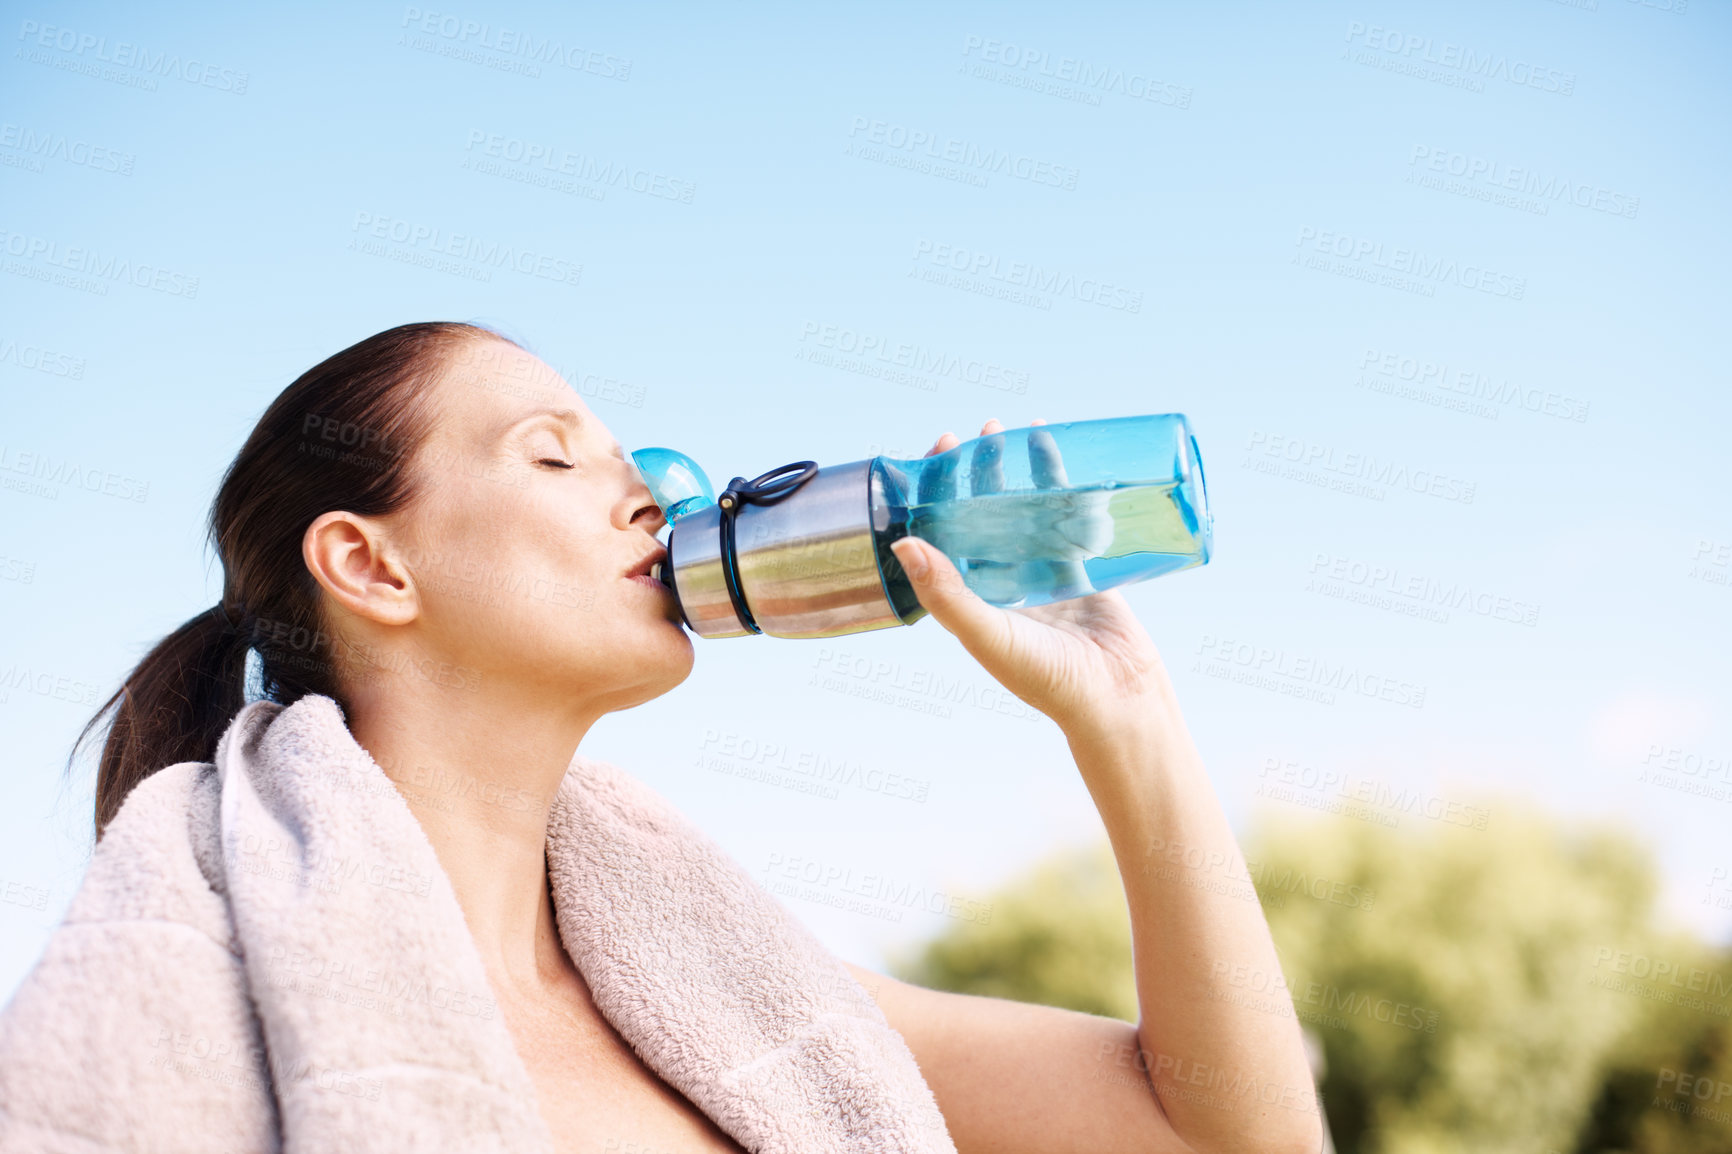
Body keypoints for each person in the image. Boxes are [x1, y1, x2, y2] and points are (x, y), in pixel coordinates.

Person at [0, 321, 1321, 1154]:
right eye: (555, 456)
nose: (650, 492)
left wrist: (1127, 718)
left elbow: (1225, 1128)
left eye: (630, 454)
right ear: (371, 563)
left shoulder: (760, 1009)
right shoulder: (204, 1000)